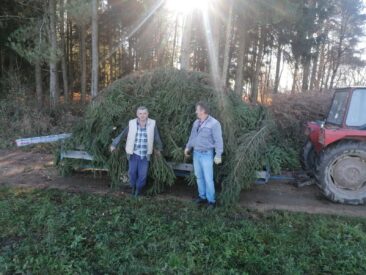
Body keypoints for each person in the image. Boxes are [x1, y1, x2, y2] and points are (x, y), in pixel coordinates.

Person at [110, 106, 163, 196]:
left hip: (145, 156)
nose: (142, 115)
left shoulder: (152, 124)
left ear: (147, 114)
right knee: (132, 173)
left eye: (144, 113)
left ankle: (138, 190)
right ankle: (133, 187)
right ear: (137, 114)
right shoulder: (132, 123)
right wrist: (114, 144)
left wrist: (159, 148)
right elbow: (123, 134)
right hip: (133, 154)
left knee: (143, 176)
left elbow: (156, 137)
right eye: (140, 113)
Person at [185, 101, 223, 207]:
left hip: (207, 154)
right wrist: (188, 147)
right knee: (199, 177)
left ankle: (211, 201)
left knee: (208, 178)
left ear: (203, 111)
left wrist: (218, 154)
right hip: (196, 154)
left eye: (197, 109)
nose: (196, 111)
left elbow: (218, 140)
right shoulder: (196, 123)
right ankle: (202, 197)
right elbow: (192, 137)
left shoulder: (214, 123)